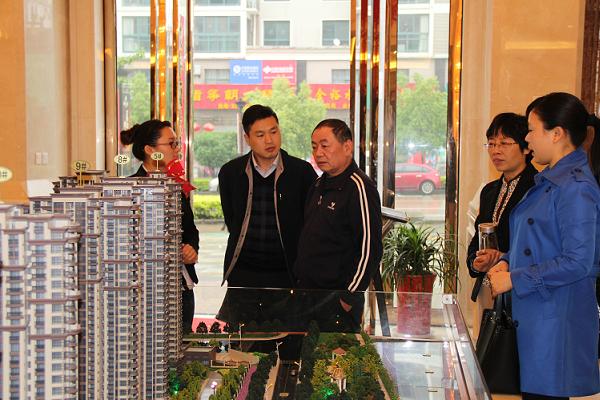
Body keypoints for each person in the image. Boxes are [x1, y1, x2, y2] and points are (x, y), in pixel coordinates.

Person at [488, 92, 600, 399]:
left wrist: (514, 278)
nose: (527, 138)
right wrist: (507, 259)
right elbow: (538, 242)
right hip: (538, 315)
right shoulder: (551, 179)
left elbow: (578, 261)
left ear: (557, 133)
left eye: (531, 130)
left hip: (556, 320)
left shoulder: (576, 187)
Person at [217, 104, 317, 327]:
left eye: (274, 131)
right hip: (243, 274)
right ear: (247, 138)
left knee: (287, 340)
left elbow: (310, 224)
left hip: (287, 275)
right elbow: (232, 220)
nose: (269, 140)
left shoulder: (301, 172)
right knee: (243, 343)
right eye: (260, 135)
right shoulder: (230, 172)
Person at [293, 119, 382, 332]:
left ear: (347, 147)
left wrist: (349, 297)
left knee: (336, 354)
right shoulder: (318, 184)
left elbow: (370, 249)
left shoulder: (359, 187)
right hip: (307, 296)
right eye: (314, 147)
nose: (318, 153)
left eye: (325, 146)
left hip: (337, 300)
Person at [120, 119, 199, 334]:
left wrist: (191, 248)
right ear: (150, 150)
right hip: (145, 289)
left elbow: (191, 230)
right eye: (171, 144)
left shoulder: (176, 183)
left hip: (181, 286)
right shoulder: (130, 187)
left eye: (177, 143)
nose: (176, 149)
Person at [467, 113, 538, 288]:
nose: (495, 151)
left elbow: (538, 248)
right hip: (488, 289)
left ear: (526, 147)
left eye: (504, 143)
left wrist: (502, 257)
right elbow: (477, 238)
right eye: (491, 144)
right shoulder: (489, 191)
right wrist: (475, 263)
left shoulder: (538, 189)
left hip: (520, 287)